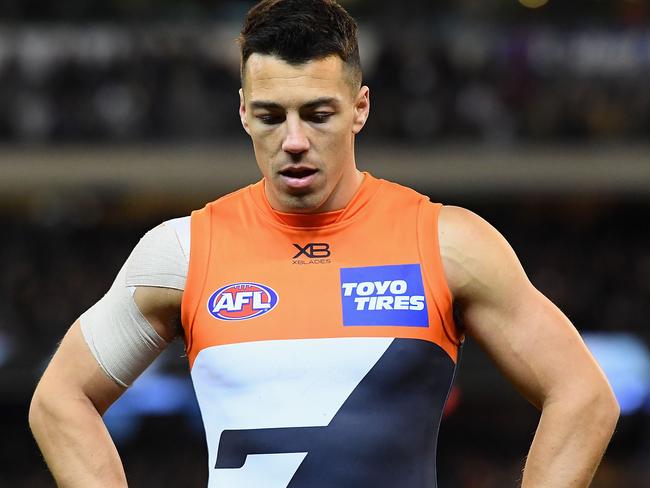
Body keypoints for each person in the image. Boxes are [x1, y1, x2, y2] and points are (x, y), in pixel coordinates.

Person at [28, 1, 619, 487]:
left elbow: (584, 395)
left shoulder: (445, 243)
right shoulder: (180, 253)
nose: (292, 141)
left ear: (360, 108)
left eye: (317, 114)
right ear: (241, 114)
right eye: (269, 115)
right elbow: (60, 400)